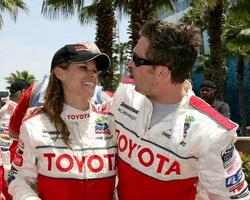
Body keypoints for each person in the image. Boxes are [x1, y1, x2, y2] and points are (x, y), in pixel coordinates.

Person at [111, 20, 250, 200]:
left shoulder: (210, 132)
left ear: (161, 72)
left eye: (136, 59)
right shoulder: (124, 94)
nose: (129, 63)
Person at [8, 43, 117, 200]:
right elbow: (17, 178)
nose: (92, 74)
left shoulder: (110, 121)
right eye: (83, 68)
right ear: (60, 73)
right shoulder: (34, 125)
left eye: (94, 70)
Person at [0, 79, 30, 200]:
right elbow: (4, 142)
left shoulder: (12, 108)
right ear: (23, 92)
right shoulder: (11, 110)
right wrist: (8, 169)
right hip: (9, 163)